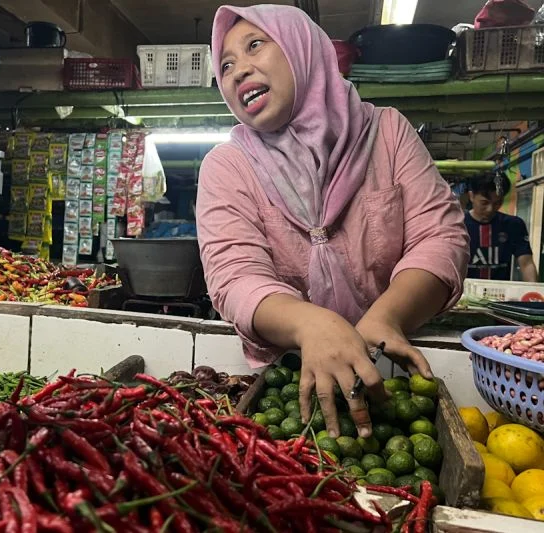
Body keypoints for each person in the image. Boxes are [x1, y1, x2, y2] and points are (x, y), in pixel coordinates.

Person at [196, 4, 469, 438]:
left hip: (399, 376)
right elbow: (234, 275)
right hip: (291, 387)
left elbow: (440, 237)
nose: (237, 71)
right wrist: (310, 324)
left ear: (301, 50)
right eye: (225, 64)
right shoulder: (227, 167)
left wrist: (387, 317)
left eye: (255, 46)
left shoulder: (388, 133)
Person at [466, 172, 538, 282]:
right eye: (484, 203)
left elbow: (526, 264)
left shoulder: (513, 225)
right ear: (471, 196)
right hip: (464, 292)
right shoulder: (457, 225)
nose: (490, 209)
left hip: (501, 293)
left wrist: (533, 294)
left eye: (497, 203)